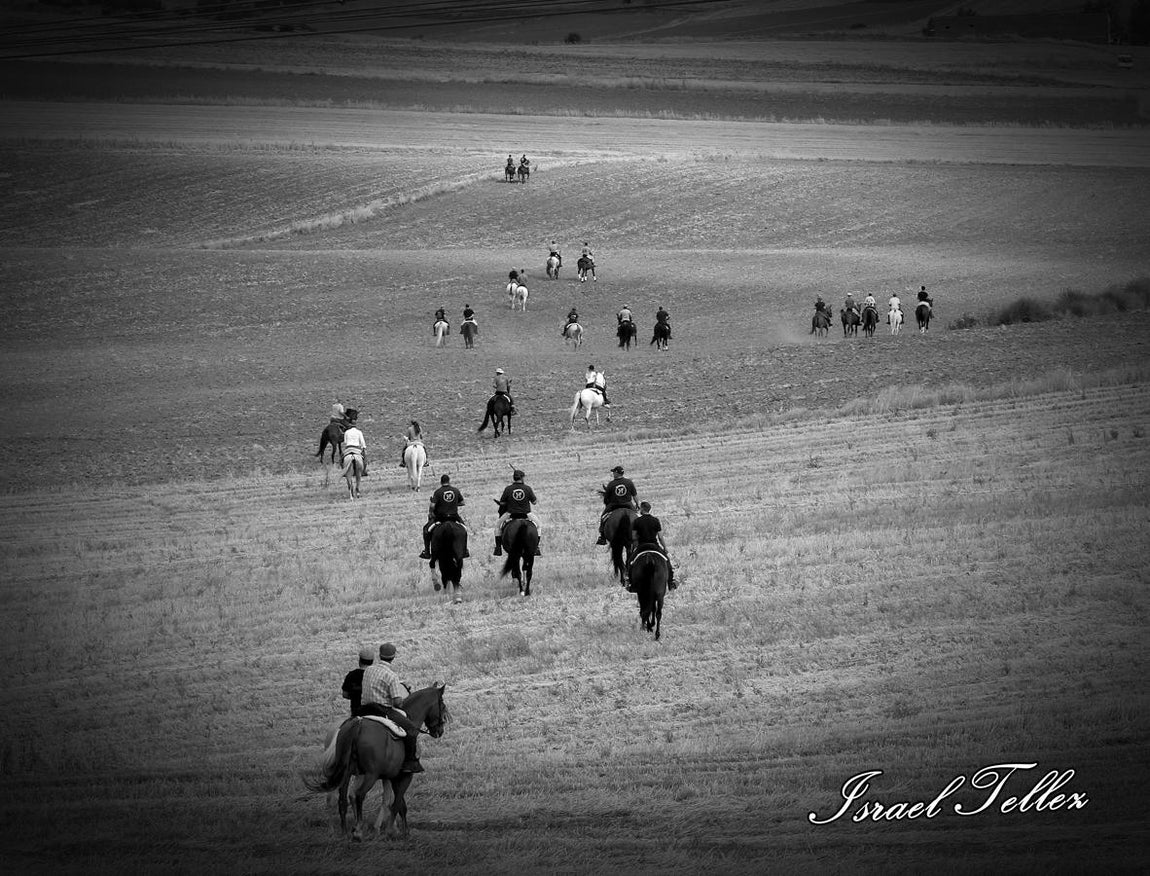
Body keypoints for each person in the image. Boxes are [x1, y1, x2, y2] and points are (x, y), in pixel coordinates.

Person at [359, 643, 424, 773]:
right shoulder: (391, 676)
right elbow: (397, 703)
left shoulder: (368, 670)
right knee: (411, 730)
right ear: (393, 657)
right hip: (382, 711)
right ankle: (409, 763)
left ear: (379, 655)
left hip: (364, 709)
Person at [493, 469, 542, 557]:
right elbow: (534, 502)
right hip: (526, 514)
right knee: (539, 526)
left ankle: (498, 548)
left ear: (514, 478)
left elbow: (503, 503)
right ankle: (537, 547)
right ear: (522, 478)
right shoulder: (527, 488)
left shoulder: (508, 489)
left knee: (497, 526)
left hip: (510, 514)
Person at [630, 501, 677, 591]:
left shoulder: (637, 521)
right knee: (667, 561)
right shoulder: (655, 520)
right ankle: (671, 582)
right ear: (649, 509)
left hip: (642, 546)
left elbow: (633, 537)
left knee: (630, 562)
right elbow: (660, 536)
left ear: (642, 509)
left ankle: (630, 583)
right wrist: (665, 547)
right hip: (654, 546)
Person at [420, 473, 467, 560]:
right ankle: (464, 550)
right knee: (464, 529)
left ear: (441, 482)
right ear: (449, 481)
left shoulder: (438, 492)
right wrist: (452, 503)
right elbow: (462, 502)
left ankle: (426, 552)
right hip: (454, 517)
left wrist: (431, 512)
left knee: (426, 530)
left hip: (441, 517)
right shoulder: (456, 490)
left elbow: (432, 506)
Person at [597, 464, 638, 545]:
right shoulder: (629, 482)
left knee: (603, 517)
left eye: (613, 473)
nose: (613, 474)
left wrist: (607, 504)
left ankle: (602, 536)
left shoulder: (611, 484)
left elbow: (606, 498)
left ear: (617, 473)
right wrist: (638, 504)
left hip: (614, 505)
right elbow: (634, 495)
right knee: (637, 516)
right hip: (628, 504)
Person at [341, 644, 375, 717]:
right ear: (372, 662)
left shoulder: (351, 675)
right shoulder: (376, 675)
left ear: (360, 661)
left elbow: (345, 695)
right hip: (374, 712)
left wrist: (355, 696)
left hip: (356, 712)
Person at [341, 408, 367, 477]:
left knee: (341, 459)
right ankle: (364, 471)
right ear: (355, 425)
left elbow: (345, 443)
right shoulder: (359, 432)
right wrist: (363, 449)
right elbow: (363, 443)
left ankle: (344, 471)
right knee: (365, 458)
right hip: (357, 449)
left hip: (348, 448)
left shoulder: (346, 432)